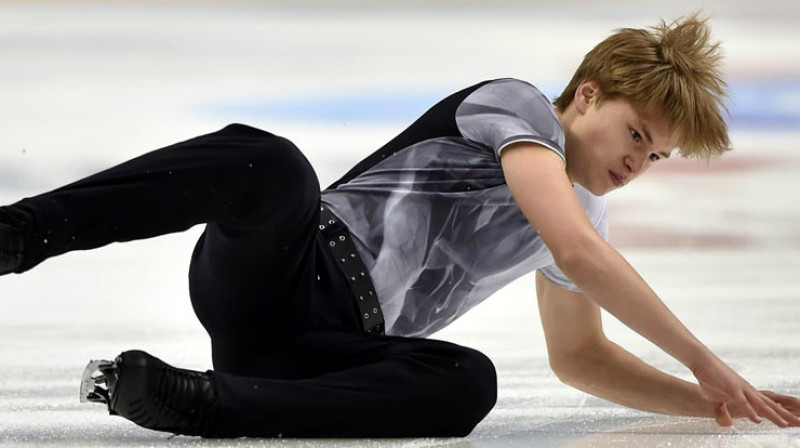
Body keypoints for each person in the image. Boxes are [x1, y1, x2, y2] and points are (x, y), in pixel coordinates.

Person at [1, 13, 799, 438]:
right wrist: (705, 359)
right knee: (272, 164)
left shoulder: (583, 215)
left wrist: (721, 402)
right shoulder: (518, 108)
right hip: (286, 266)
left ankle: (206, 404)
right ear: (587, 95)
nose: (637, 164)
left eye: (655, 157)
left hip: (324, 352)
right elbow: (575, 251)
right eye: (636, 135)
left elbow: (583, 358)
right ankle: (16, 235)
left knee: (466, 382)